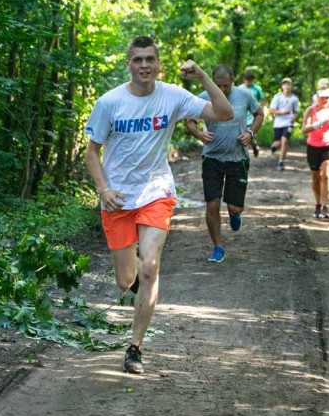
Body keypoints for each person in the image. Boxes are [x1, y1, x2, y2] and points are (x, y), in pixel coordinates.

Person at [84, 37, 232, 374]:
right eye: (138, 60)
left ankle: (134, 348)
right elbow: (92, 152)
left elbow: (224, 112)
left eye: (150, 59)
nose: (144, 66)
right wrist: (103, 189)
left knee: (149, 265)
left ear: (159, 64)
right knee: (126, 280)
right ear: (128, 64)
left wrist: (204, 77)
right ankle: (142, 290)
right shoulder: (110, 103)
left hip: (156, 191)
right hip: (118, 197)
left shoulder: (173, 96)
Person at [185, 65, 264, 263]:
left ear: (234, 80)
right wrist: (200, 134)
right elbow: (190, 122)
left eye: (225, 86)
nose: (222, 90)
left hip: (238, 158)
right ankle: (217, 247)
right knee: (212, 204)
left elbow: (259, 114)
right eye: (218, 86)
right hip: (212, 158)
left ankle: (235, 214)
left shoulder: (245, 95)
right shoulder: (203, 96)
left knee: (235, 208)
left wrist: (251, 133)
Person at [301, 88, 329, 219]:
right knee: (316, 177)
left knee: (326, 175)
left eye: (327, 97)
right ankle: (318, 203)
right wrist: (318, 124)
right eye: (322, 97)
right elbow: (304, 129)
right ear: (317, 97)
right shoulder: (311, 110)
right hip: (313, 147)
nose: (324, 100)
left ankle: (324, 207)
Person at [269, 78, 300, 171]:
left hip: (288, 123)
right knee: (277, 143)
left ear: (291, 86)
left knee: (284, 141)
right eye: (284, 84)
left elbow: (296, 111)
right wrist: (283, 113)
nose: (286, 86)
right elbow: (272, 111)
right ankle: (274, 146)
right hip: (278, 123)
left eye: (288, 84)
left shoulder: (294, 99)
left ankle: (281, 161)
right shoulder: (278, 97)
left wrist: (294, 118)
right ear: (282, 86)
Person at [237, 70, 266, 157]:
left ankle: (250, 148)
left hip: (253, 115)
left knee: (249, 132)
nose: (249, 83)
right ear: (244, 80)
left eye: (251, 81)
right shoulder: (239, 88)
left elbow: (263, 99)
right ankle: (254, 146)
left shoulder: (257, 89)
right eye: (247, 81)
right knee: (243, 134)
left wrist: (261, 108)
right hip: (243, 114)